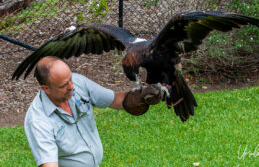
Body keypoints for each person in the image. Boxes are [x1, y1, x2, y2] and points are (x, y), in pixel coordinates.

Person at [24, 56, 168, 167]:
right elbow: (49, 164)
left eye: (70, 79)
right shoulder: (38, 120)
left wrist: (140, 96)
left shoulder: (79, 83)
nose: (72, 87)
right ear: (45, 88)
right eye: (64, 85)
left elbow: (115, 100)